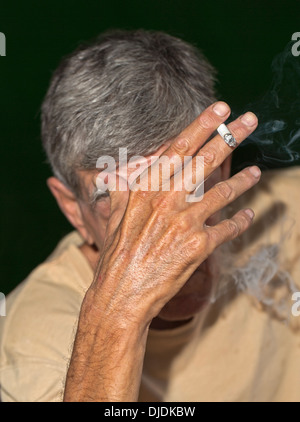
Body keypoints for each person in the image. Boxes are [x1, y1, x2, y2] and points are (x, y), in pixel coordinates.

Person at [1, 30, 300, 402]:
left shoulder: (287, 215)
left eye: (180, 180)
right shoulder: (27, 347)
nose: (162, 222)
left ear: (221, 170)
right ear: (73, 210)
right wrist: (119, 315)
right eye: (120, 197)